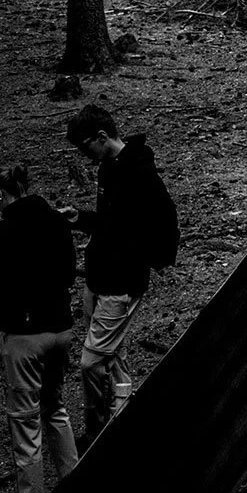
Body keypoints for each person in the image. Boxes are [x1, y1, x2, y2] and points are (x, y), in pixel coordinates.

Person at [66, 104, 180, 447]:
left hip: (122, 281)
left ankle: (96, 426)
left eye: (85, 146)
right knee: (112, 354)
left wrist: (154, 259)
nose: (85, 155)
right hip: (100, 276)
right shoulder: (109, 168)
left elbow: (162, 219)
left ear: (102, 136)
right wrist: (80, 218)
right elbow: (110, 223)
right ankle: (121, 417)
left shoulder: (139, 173)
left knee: (91, 362)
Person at [0, 163, 78, 493]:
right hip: (60, 329)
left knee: (26, 426)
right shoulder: (57, 221)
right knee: (55, 409)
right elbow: (70, 272)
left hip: (24, 337)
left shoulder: (0, 234)